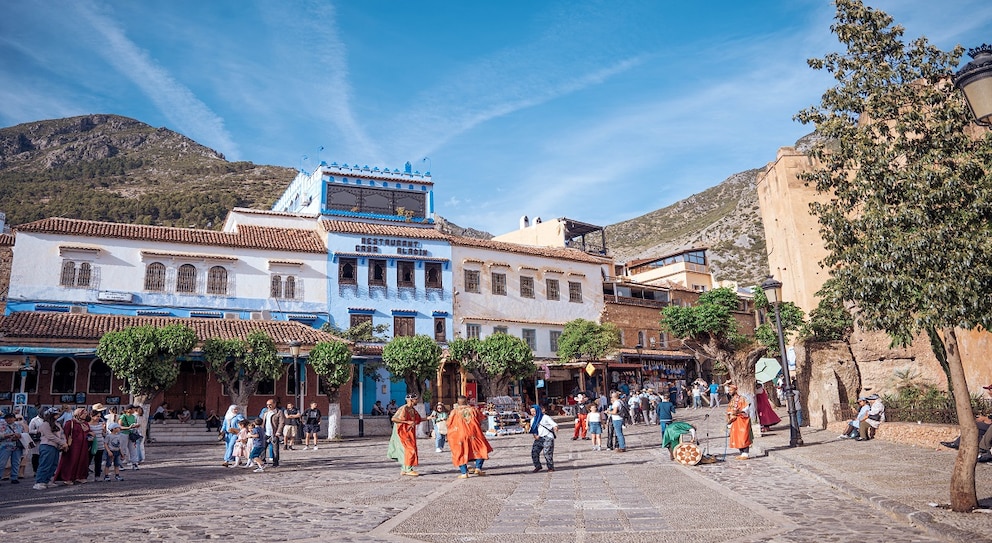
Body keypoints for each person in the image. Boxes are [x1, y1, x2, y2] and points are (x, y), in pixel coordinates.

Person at [447, 395, 493, 478]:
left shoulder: (454, 412)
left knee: (460, 452)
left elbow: (448, 423)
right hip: (474, 434)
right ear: (467, 401)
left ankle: (464, 473)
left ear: (458, 402)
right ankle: (478, 468)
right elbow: (481, 418)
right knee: (480, 449)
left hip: (460, 435)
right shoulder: (473, 410)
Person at [387, 393, 423, 476]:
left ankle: (404, 469)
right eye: (416, 399)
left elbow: (418, 419)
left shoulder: (412, 409)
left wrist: (429, 418)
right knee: (410, 450)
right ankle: (408, 469)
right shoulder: (403, 408)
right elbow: (394, 418)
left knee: (406, 450)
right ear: (411, 400)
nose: (417, 400)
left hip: (409, 433)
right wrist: (406, 422)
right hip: (402, 433)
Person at [54, 407, 91, 484]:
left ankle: (79, 476)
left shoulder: (85, 424)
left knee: (82, 461)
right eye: (84, 413)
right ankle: (68, 478)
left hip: (83, 446)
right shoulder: (70, 423)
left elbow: (88, 432)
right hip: (73, 446)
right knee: (71, 461)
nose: (85, 415)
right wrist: (65, 444)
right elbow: (66, 434)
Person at [34, 408, 68, 490]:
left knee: (53, 464)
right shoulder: (45, 424)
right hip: (47, 445)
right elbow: (49, 436)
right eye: (56, 414)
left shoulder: (57, 424)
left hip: (56, 446)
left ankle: (47, 480)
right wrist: (61, 442)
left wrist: (64, 442)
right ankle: (40, 481)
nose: (57, 416)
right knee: (45, 463)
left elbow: (62, 434)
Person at [726, 382, 753, 460]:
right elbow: (729, 409)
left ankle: (745, 453)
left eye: (731, 390)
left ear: (735, 390)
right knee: (737, 437)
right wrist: (729, 415)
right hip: (734, 421)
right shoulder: (732, 400)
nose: (729, 392)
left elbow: (746, 409)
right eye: (729, 390)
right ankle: (741, 453)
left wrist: (739, 412)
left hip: (742, 420)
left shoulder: (742, 398)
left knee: (743, 436)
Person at [529, 404, 558, 472]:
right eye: (531, 412)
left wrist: (555, 427)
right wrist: (535, 436)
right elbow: (533, 429)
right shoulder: (533, 420)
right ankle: (537, 466)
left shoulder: (545, 417)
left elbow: (553, 424)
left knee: (547, 453)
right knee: (534, 452)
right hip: (539, 438)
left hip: (548, 437)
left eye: (534, 411)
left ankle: (550, 467)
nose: (533, 413)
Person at [0, 411, 25, 485]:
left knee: (16, 462)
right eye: (7, 418)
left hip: (17, 446)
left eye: (11, 418)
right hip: (5, 446)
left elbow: (23, 434)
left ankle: (14, 477)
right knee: (2, 463)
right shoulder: (2, 426)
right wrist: (7, 435)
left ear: (14, 418)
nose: (9, 419)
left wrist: (19, 436)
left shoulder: (19, 426)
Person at [260, 399, 286, 467]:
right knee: (263, 448)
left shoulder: (279, 412)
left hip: (274, 433)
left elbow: (281, 422)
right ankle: (262, 461)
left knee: (275, 449)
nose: (268, 406)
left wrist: (278, 431)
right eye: (267, 405)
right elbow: (262, 421)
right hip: (266, 432)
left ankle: (275, 462)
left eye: (270, 404)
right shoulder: (265, 412)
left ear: (274, 404)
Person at [88, 409, 107, 482]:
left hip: (100, 445)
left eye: (99, 416)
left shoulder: (101, 424)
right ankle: (84, 475)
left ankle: (97, 476)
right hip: (92, 445)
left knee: (98, 461)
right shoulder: (88, 425)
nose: (98, 418)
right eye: (97, 416)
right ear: (92, 416)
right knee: (88, 461)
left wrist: (104, 429)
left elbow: (104, 434)